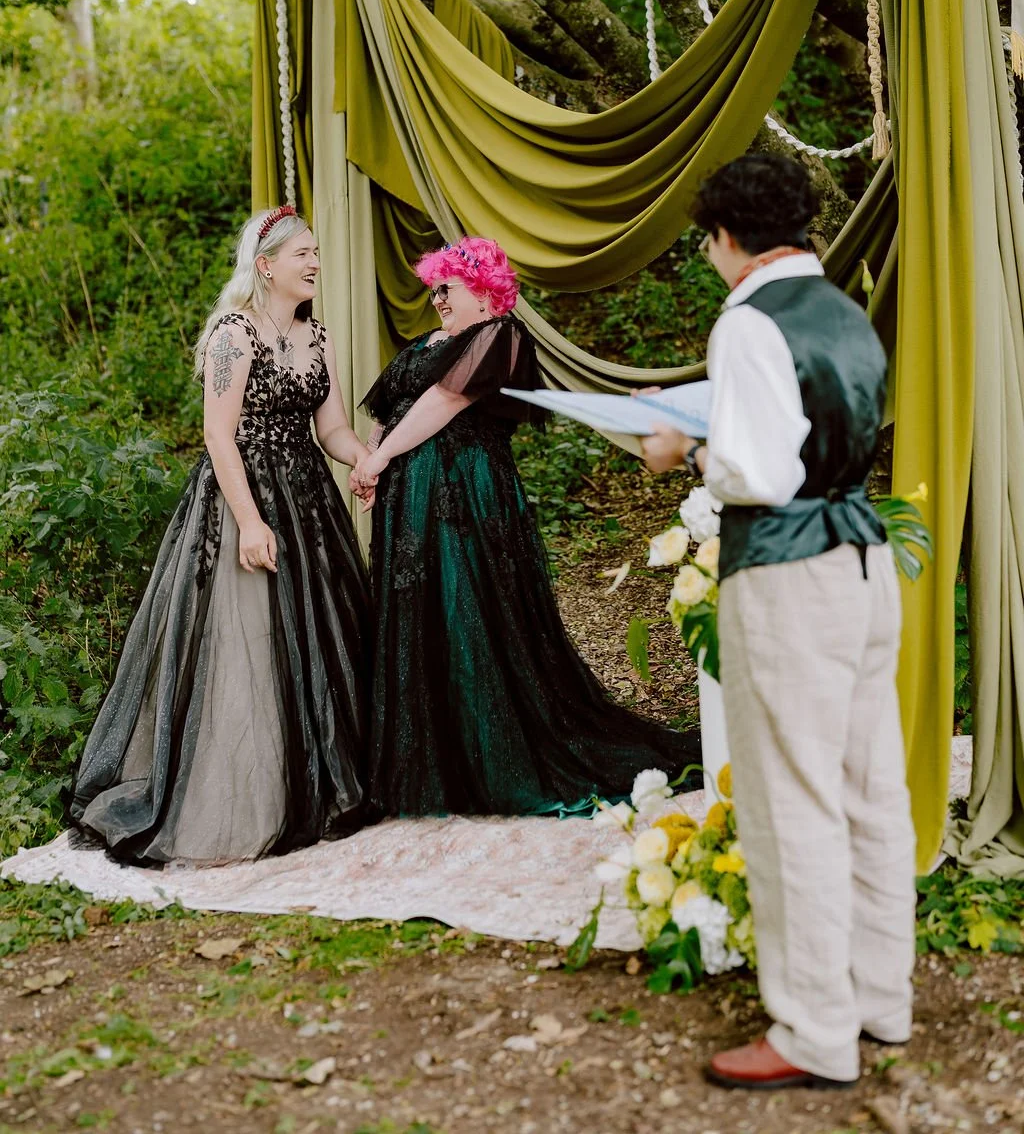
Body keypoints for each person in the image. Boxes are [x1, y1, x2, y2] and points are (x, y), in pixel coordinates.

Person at [642, 155, 915, 1092]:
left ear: (723, 237)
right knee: (869, 787)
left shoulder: (748, 320)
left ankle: (813, 1030)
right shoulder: (844, 309)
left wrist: (683, 445)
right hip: (865, 562)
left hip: (790, 574)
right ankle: (883, 998)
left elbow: (757, 473)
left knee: (790, 799)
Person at [350, 235, 699, 819]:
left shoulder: (497, 336)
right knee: (421, 617)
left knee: (472, 613)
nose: (438, 298)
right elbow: (394, 412)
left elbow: (443, 402)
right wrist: (371, 460)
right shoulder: (426, 342)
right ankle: (433, 766)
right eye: (434, 287)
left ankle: (493, 759)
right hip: (410, 500)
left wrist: (379, 460)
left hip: (465, 495)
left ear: (485, 294)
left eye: (450, 287)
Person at [69, 206, 373, 864]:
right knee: (249, 648)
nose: (316, 262)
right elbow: (217, 433)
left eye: (318, 253)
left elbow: (333, 431)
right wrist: (250, 521)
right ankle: (244, 794)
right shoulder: (234, 335)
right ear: (267, 265)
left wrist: (365, 460)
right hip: (242, 500)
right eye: (304, 254)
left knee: (321, 641)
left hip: (310, 505)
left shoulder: (316, 337)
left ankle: (320, 787)